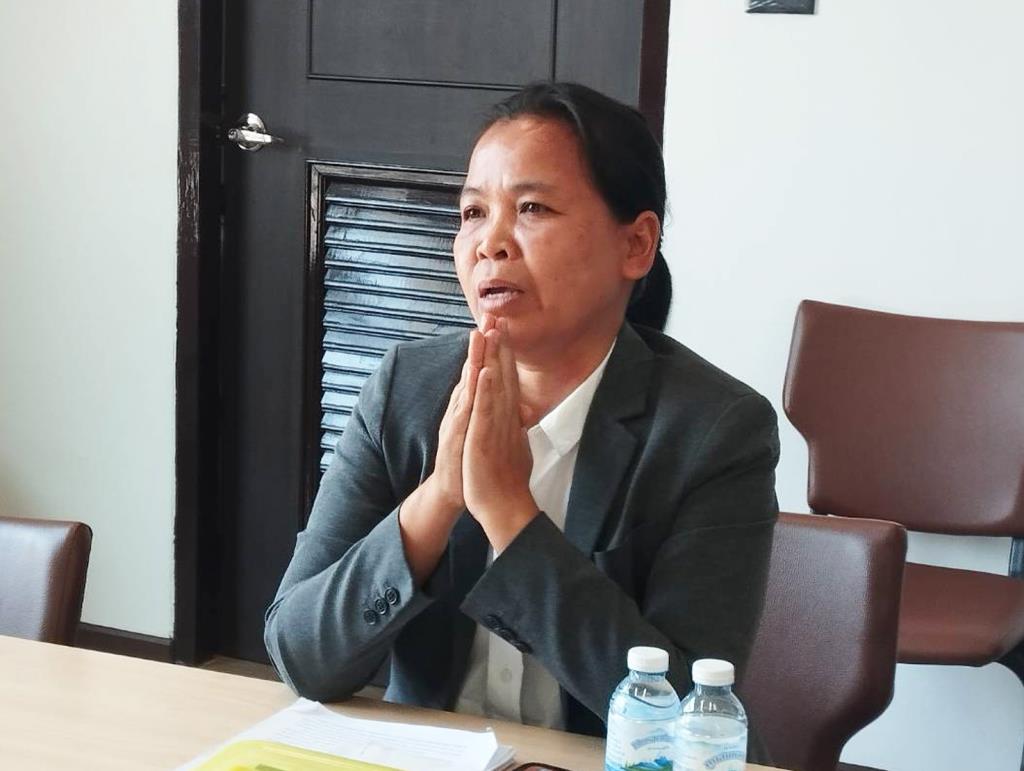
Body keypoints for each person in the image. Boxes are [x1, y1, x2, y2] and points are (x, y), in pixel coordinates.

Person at [265, 82, 779, 754]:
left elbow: (686, 718)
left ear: (636, 245)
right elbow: (300, 655)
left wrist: (509, 511)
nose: (490, 243)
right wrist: (440, 493)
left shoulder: (715, 431)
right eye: (473, 212)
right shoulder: (406, 391)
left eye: (532, 208)